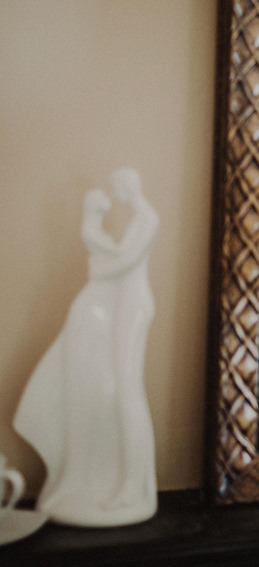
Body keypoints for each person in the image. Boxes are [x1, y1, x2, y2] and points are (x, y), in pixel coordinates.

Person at [15, 169, 159, 527]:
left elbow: (127, 262)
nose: (118, 193)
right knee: (115, 390)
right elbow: (119, 258)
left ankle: (133, 486)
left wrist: (97, 268)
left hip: (134, 304)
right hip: (121, 302)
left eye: (121, 187)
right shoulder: (137, 220)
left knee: (128, 392)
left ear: (132, 186)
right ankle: (104, 479)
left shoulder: (147, 218)